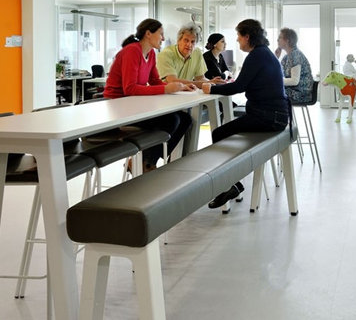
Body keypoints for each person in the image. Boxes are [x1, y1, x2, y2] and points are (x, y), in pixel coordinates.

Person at [202, 19, 290, 208]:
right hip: (275, 116)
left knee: (219, 133)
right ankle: (231, 183)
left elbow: (238, 87)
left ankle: (229, 185)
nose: (237, 40)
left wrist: (211, 89)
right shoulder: (263, 53)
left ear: (247, 37)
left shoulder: (256, 55)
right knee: (227, 131)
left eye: (239, 36)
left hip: (268, 117)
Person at [104, 18, 195, 170]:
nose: (163, 38)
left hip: (133, 105)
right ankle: (146, 162)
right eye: (161, 34)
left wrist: (179, 87)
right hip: (118, 108)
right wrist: (166, 89)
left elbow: (155, 81)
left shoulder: (151, 53)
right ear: (148, 34)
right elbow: (130, 89)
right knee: (172, 120)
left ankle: (148, 160)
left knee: (185, 119)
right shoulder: (132, 51)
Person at [157, 22, 224, 86]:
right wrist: (205, 83)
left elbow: (200, 78)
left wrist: (211, 83)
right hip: (166, 92)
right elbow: (172, 81)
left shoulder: (197, 53)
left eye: (192, 42)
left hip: (186, 91)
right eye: (186, 40)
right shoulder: (166, 54)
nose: (189, 45)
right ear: (178, 41)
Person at [275, 27, 313, 103]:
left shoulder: (295, 55)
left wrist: (275, 81)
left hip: (300, 93)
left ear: (287, 41)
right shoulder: (286, 57)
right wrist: (276, 57)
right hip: (293, 90)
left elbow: (294, 81)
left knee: (269, 92)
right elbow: (279, 74)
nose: (277, 40)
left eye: (280, 37)